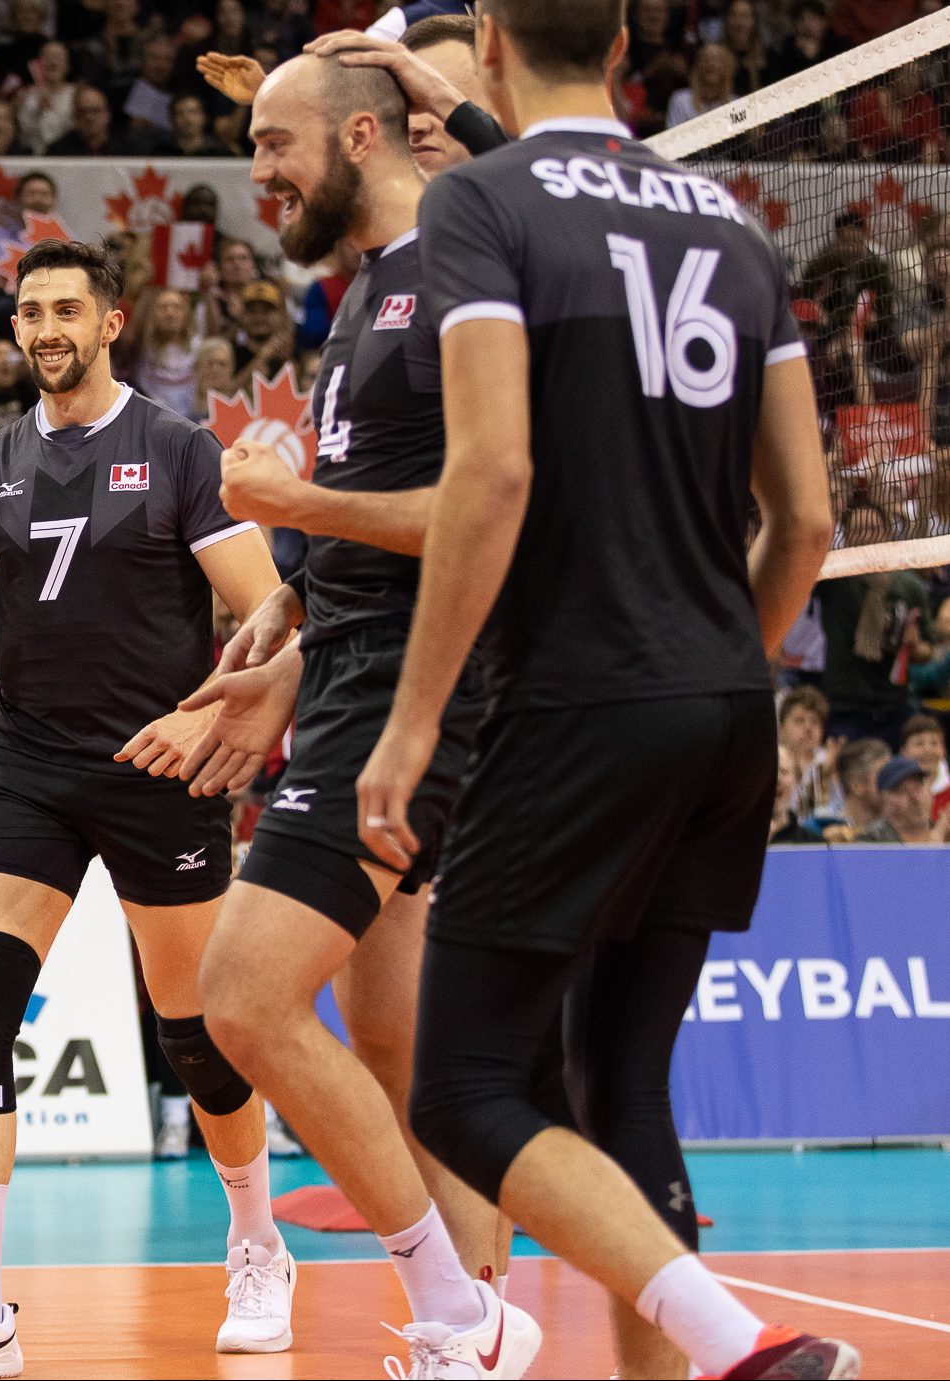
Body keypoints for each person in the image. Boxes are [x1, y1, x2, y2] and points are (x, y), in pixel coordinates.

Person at [349, 3, 851, 1377]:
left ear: (494, 40)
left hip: (574, 700)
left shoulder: (481, 206)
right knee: (620, 1079)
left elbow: (492, 473)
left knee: (463, 1090)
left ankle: (743, 1346)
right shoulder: (737, 222)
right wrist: (716, 674)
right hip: (729, 703)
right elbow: (805, 521)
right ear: (625, 43)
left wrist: (411, 721)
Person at [0, 240, 288, 1375]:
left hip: (160, 763)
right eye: (27, 309)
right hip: (28, 762)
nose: (44, 324)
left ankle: (255, 1239)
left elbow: (268, 615)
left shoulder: (178, 447)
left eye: (65, 307)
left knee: (198, 1035)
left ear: (109, 322)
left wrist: (211, 718)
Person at [176, 51, 538, 1374]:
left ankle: (460, 1315)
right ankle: (476, 1308)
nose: (256, 167)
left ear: (371, 133)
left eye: (276, 140)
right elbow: (384, 516)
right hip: (351, 675)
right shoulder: (363, 298)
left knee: (242, 996)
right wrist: (283, 613)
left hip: (410, 700)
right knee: (391, 1041)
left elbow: (488, 507)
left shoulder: (456, 267)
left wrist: (292, 513)